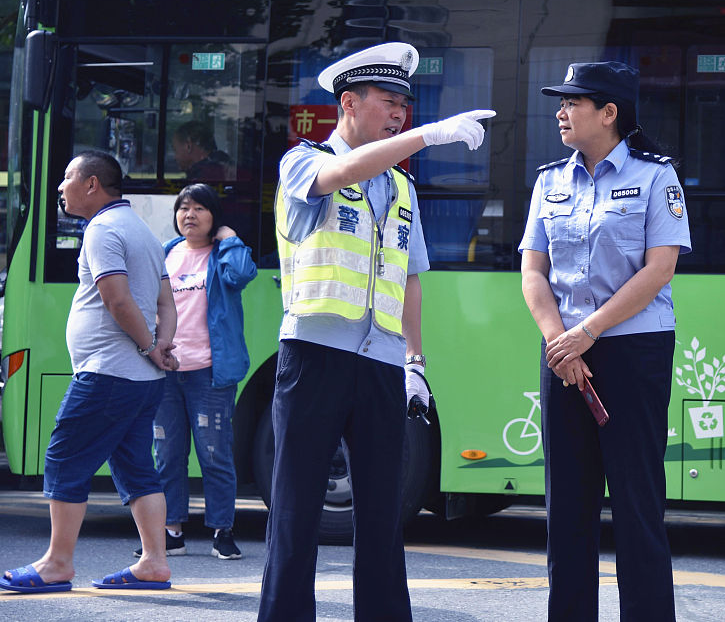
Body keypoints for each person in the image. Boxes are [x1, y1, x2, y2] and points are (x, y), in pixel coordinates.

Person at [259, 42, 493, 622]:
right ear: (349, 102)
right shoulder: (304, 161)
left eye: (404, 107)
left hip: (383, 363)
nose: (399, 115)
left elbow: (410, 279)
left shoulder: (403, 188)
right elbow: (341, 173)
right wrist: (429, 137)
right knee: (296, 508)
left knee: (385, 513)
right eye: (388, 102)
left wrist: (415, 361)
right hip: (315, 354)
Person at [519, 61, 691, 621]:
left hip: (632, 351)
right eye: (561, 102)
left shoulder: (655, 177)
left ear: (609, 113)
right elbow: (533, 272)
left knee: (637, 502)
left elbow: (659, 269)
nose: (561, 112)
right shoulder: (549, 181)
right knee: (567, 504)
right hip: (563, 354)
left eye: (573, 102)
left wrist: (586, 333)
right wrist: (559, 341)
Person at [0, 150, 179, 594]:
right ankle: (154, 563)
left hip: (108, 373)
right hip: (141, 380)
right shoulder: (143, 231)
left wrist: (148, 346)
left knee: (65, 457)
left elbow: (117, 300)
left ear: (92, 184)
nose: (61, 187)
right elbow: (166, 303)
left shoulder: (102, 229)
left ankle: (57, 563)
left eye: (67, 177)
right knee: (136, 467)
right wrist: (160, 345)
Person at [142, 183, 257, 560]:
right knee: (167, 453)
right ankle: (172, 531)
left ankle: (222, 531)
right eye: (183, 208)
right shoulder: (166, 253)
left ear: (213, 217)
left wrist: (231, 239)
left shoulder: (222, 254)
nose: (189, 215)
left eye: (199, 208)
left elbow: (242, 274)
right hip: (166, 371)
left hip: (210, 373)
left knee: (214, 454)